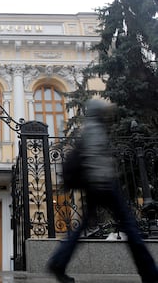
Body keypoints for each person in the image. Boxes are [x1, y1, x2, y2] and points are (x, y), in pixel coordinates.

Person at [47, 99, 158, 283]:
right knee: (131, 226)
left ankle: (58, 262)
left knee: (83, 228)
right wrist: (105, 182)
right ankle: (150, 273)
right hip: (104, 185)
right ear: (99, 113)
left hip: (95, 186)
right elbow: (96, 159)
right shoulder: (95, 129)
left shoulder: (89, 129)